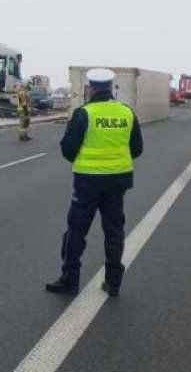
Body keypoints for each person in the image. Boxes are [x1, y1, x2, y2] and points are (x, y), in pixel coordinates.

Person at [45, 68, 144, 298]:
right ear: (111, 87)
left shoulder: (84, 114)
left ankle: (69, 280)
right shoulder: (127, 113)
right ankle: (113, 283)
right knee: (114, 232)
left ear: (90, 88)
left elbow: (68, 150)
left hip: (87, 183)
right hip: (117, 183)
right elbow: (137, 149)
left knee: (76, 232)